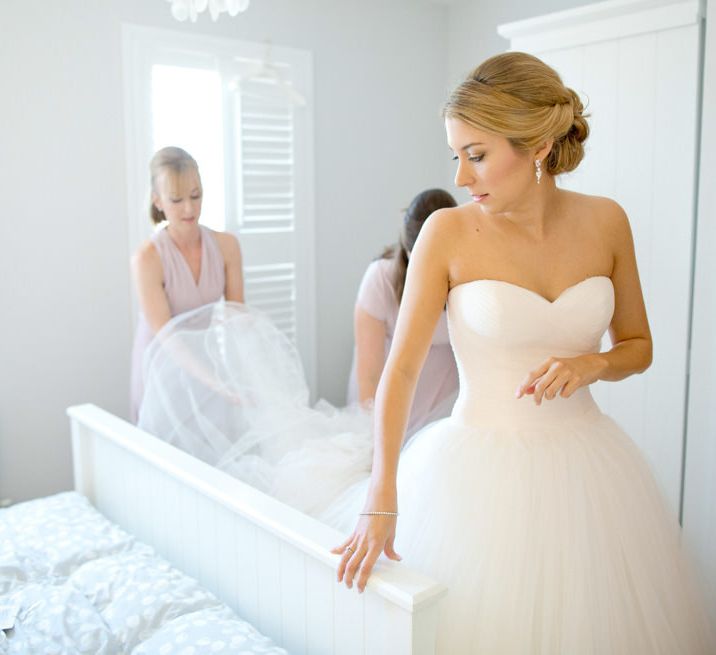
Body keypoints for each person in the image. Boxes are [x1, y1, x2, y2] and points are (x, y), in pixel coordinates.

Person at [328, 52, 715, 653]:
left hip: (591, 471)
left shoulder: (607, 222)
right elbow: (399, 370)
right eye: (455, 155)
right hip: (475, 474)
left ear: (535, 145)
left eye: (476, 155)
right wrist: (383, 490)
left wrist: (594, 364)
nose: (461, 176)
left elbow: (639, 346)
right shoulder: (447, 233)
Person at [130, 146, 244, 422]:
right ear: (158, 201)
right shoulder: (147, 258)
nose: (190, 208)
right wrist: (215, 382)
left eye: (196, 196)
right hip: (162, 364)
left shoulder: (226, 246)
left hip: (206, 358)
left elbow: (237, 317)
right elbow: (169, 337)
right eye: (177, 199)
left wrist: (243, 372)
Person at [347, 189, 459, 437]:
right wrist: (378, 436)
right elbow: (369, 376)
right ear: (409, 251)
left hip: (445, 404)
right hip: (388, 398)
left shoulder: (467, 279)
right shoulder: (380, 280)